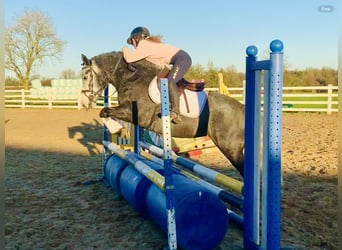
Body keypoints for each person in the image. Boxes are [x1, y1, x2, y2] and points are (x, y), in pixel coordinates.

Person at [122, 26, 192, 124]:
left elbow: (129, 59)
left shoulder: (144, 44)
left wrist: (124, 49)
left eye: (132, 42)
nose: (133, 45)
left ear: (137, 38)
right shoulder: (148, 45)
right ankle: (165, 107)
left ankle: (176, 112)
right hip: (178, 59)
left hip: (182, 59)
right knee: (163, 82)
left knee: (169, 82)